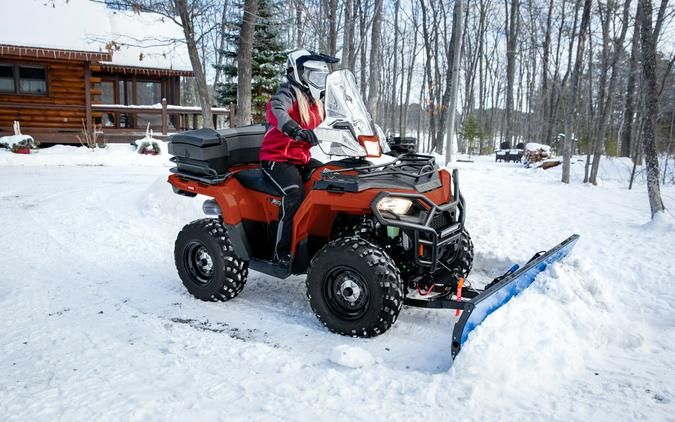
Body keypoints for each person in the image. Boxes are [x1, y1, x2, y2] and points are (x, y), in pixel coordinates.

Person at [259, 49, 339, 263]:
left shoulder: (316, 101)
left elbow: (339, 118)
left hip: (300, 158)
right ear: (299, 73)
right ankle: (282, 251)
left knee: (330, 179)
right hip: (276, 158)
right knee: (294, 192)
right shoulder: (288, 93)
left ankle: (322, 240)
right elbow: (275, 109)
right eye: (314, 77)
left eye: (322, 77)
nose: (319, 82)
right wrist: (293, 129)